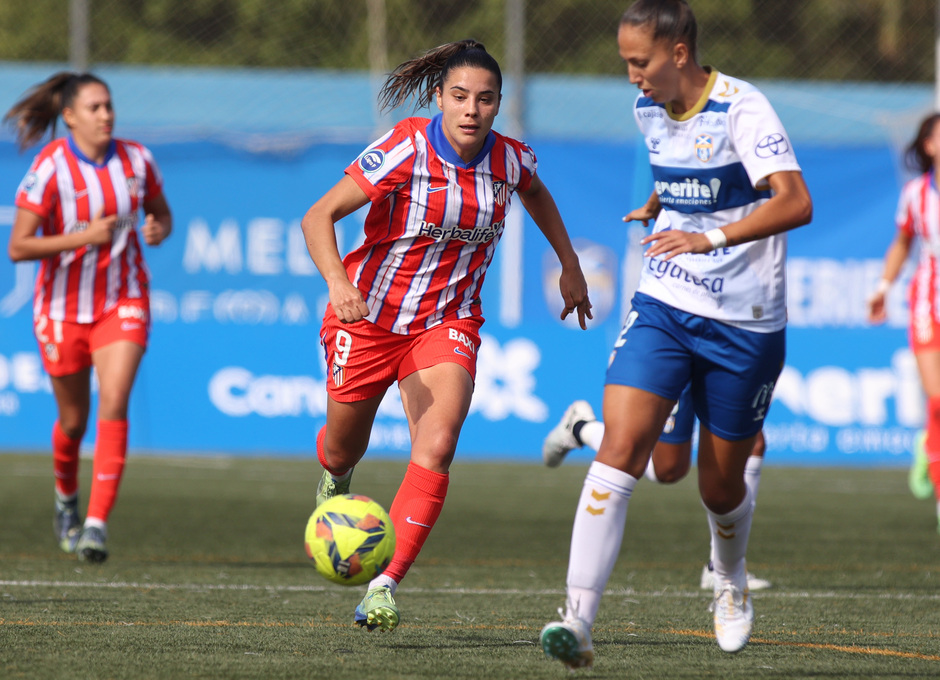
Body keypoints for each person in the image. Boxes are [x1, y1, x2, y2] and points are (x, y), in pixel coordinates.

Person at [538, 0, 812, 667]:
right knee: (627, 453)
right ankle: (577, 621)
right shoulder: (648, 109)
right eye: (626, 62)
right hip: (664, 303)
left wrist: (707, 234)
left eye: (641, 62)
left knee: (714, 487)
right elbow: (687, 170)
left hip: (744, 325)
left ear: (679, 53)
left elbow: (795, 202)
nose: (632, 76)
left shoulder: (744, 108)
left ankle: (730, 581)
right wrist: (663, 203)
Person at [300, 39, 592, 633]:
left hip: (447, 322)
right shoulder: (406, 146)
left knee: (437, 444)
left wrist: (569, 262)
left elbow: (535, 192)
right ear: (439, 98)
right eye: (459, 96)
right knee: (341, 447)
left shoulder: (510, 160)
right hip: (369, 318)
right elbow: (318, 216)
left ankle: (384, 585)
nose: (471, 110)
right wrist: (337, 282)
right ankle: (336, 478)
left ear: (497, 106)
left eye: (485, 100)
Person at [5, 72, 173, 564]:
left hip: (123, 300)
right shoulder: (51, 166)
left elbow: (162, 215)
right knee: (74, 421)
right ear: (70, 116)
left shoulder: (137, 159)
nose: (106, 115)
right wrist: (82, 237)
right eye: (95, 108)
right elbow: (19, 246)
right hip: (61, 310)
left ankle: (96, 525)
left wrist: (158, 228)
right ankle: (66, 497)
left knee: (115, 398)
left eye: (109, 106)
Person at [542, 391, 773, 592]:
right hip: (687, 349)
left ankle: (720, 567)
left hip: (727, 349)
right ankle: (581, 427)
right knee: (666, 467)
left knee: (753, 442)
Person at [868, 112, 940, 531]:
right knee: (938, 400)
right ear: (928, 145)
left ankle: (928, 442)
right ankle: (932, 455)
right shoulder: (916, 193)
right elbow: (902, 242)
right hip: (929, 303)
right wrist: (882, 287)